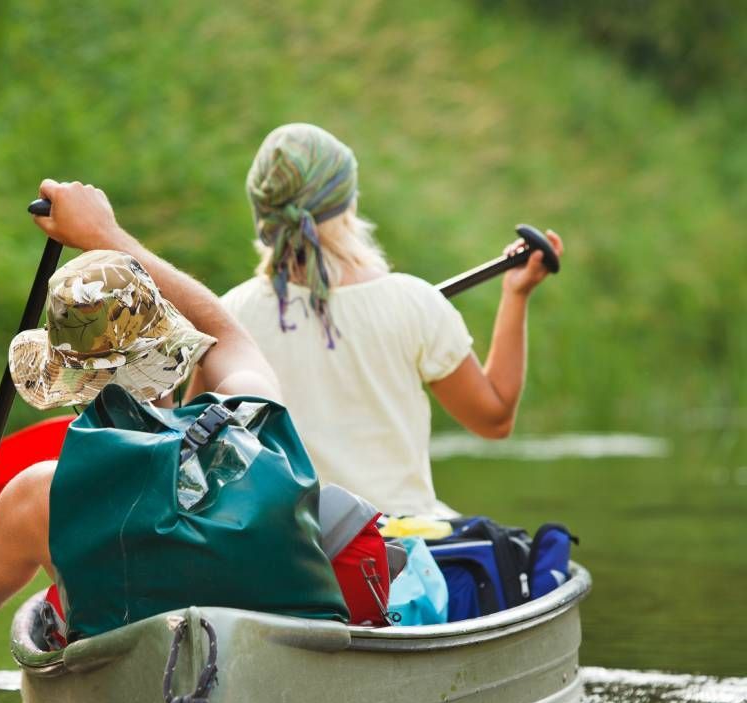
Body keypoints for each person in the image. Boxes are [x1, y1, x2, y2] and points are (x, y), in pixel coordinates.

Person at [0, 182, 281, 621]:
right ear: (174, 354)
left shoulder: (43, 493)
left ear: (68, 386)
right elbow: (226, 334)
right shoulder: (247, 411)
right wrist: (104, 233)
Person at [221, 122, 563, 518]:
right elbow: (495, 418)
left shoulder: (230, 315)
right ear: (347, 204)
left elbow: (199, 441)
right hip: (399, 552)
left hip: (288, 548)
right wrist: (516, 294)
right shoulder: (412, 302)